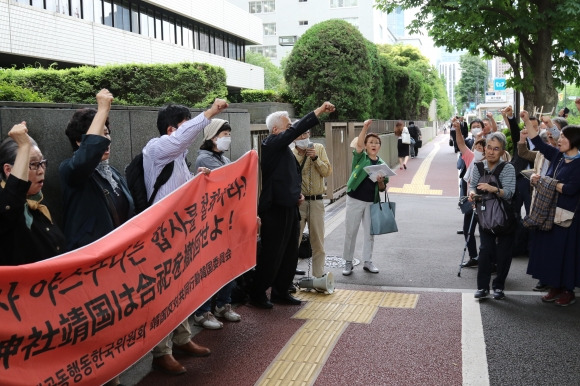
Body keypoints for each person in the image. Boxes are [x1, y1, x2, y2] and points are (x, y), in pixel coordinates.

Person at [143, 100, 227, 374]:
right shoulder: (156, 148)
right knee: (165, 293)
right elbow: (179, 140)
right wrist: (210, 113)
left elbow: (179, 188)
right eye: (184, 126)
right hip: (163, 235)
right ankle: (162, 351)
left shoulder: (178, 157)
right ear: (171, 130)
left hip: (181, 233)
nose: (190, 133)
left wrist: (196, 178)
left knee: (181, 288)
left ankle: (182, 338)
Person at [59, 89, 134, 386]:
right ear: (81, 142)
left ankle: (111, 372)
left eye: (108, 132)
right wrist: (103, 106)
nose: (107, 140)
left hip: (118, 260)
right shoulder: (72, 171)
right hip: (91, 263)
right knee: (97, 325)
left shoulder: (112, 172)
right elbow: (86, 157)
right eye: (100, 134)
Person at [249, 102, 335, 309]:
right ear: (276, 129)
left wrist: (296, 196)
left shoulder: (284, 150)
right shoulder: (270, 144)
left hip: (290, 207)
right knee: (272, 252)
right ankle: (257, 294)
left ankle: (281, 290)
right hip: (274, 209)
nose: (292, 130)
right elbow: (296, 131)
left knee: (289, 252)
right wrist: (319, 111)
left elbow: (287, 178)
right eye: (288, 127)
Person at [523, 109, 580, 306]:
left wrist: (546, 181)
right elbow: (538, 143)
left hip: (569, 217)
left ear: (573, 141)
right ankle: (554, 286)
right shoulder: (558, 155)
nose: (559, 139)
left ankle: (567, 290)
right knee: (551, 252)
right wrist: (526, 120)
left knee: (566, 254)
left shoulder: (578, 163)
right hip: (550, 213)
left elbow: (571, 189)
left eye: (563, 136)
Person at [192, 118, 241, 329]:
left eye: (229, 135)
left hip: (224, 221)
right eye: (224, 135)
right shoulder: (205, 158)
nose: (227, 139)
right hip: (210, 223)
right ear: (212, 138)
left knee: (226, 264)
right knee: (209, 267)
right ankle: (202, 312)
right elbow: (232, 180)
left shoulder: (222, 159)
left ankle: (223, 304)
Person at [1, 122, 65, 265]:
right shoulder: (5, 207)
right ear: (8, 170)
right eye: (33, 164)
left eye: (42, 163)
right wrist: (23, 146)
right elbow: (12, 202)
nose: (41, 170)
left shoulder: (40, 203)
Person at [468, 132, 516, 300]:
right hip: (485, 217)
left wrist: (494, 189)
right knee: (485, 251)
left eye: (496, 149)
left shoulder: (508, 168)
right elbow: (472, 186)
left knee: (503, 254)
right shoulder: (478, 166)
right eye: (489, 147)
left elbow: (509, 193)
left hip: (505, 218)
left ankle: (499, 287)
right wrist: (472, 194)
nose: (491, 152)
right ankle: (482, 288)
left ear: (502, 152)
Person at [342, 119, 387, 276]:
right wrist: (365, 128)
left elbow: (382, 188)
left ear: (379, 146)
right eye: (371, 142)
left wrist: (381, 182)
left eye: (376, 142)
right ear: (366, 146)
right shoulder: (360, 158)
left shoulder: (382, 164)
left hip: (371, 202)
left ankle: (367, 261)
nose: (374, 144)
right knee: (351, 231)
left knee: (369, 233)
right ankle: (348, 262)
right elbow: (358, 144)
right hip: (354, 199)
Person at [292, 129, 332, 279]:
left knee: (318, 241)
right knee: (294, 239)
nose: (305, 137)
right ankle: (289, 274)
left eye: (307, 133)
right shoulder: (291, 153)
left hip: (316, 201)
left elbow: (327, 171)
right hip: (298, 203)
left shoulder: (319, 148)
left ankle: (318, 275)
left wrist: (315, 158)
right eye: (301, 134)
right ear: (294, 137)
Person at [454, 122, 486, 269]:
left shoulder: (491, 163)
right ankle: (473, 256)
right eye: (477, 147)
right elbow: (460, 144)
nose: (478, 150)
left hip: (486, 203)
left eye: (482, 148)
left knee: (486, 233)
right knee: (468, 230)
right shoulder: (471, 157)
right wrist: (458, 129)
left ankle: (487, 260)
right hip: (471, 200)